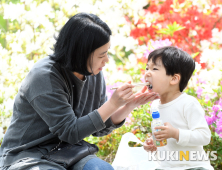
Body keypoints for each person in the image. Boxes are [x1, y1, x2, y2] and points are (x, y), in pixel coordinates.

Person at [0, 13, 160, 170]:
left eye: (107, 52)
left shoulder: (93, 72)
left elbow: (99, 127)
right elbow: (70, 132)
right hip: (28, 155)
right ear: (81, 54)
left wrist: (128, 106)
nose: (107, 60)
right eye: (101, 55)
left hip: (70, 152)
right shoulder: (44, 77)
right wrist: (112, 104)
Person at [143, 46, 214, 170]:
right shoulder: (155, 105)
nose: (147, 72)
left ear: (174, 79)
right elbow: (165, 140)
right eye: (147, 68)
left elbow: (204, 136)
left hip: (194, 166)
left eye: (154, 68)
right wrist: (154, 143)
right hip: (165, 167)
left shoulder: (188, 103)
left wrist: (175, 133)